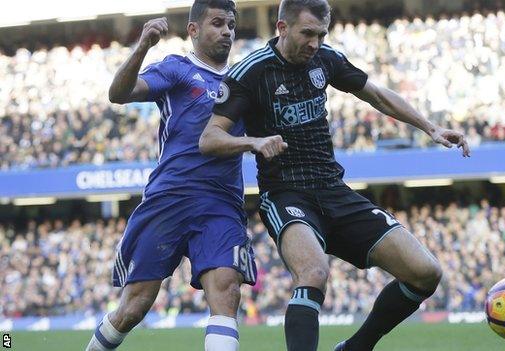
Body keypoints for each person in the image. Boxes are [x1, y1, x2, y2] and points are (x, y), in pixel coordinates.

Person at [199, 0, 470, 350]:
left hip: (333, 190)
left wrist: (429, 128)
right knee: (313, 272)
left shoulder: (325, 58)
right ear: (282, 28)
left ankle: (356, 347)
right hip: (286, 194)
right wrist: (254, 142)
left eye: (321, 34)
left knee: (425, 272)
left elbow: (374, 94)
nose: (315, 43)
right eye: (307, 33)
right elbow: (209, 138)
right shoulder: (251, 72)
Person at [85, 1, 256, 351]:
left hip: (221, 202)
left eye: (231, 24)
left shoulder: (243, 82)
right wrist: (143, 45)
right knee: (135, 305)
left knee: (226, 289)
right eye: (217, 23)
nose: (227, 31)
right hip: (170, 198)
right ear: (193, 30)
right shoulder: (177, 69)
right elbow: (118, 94)